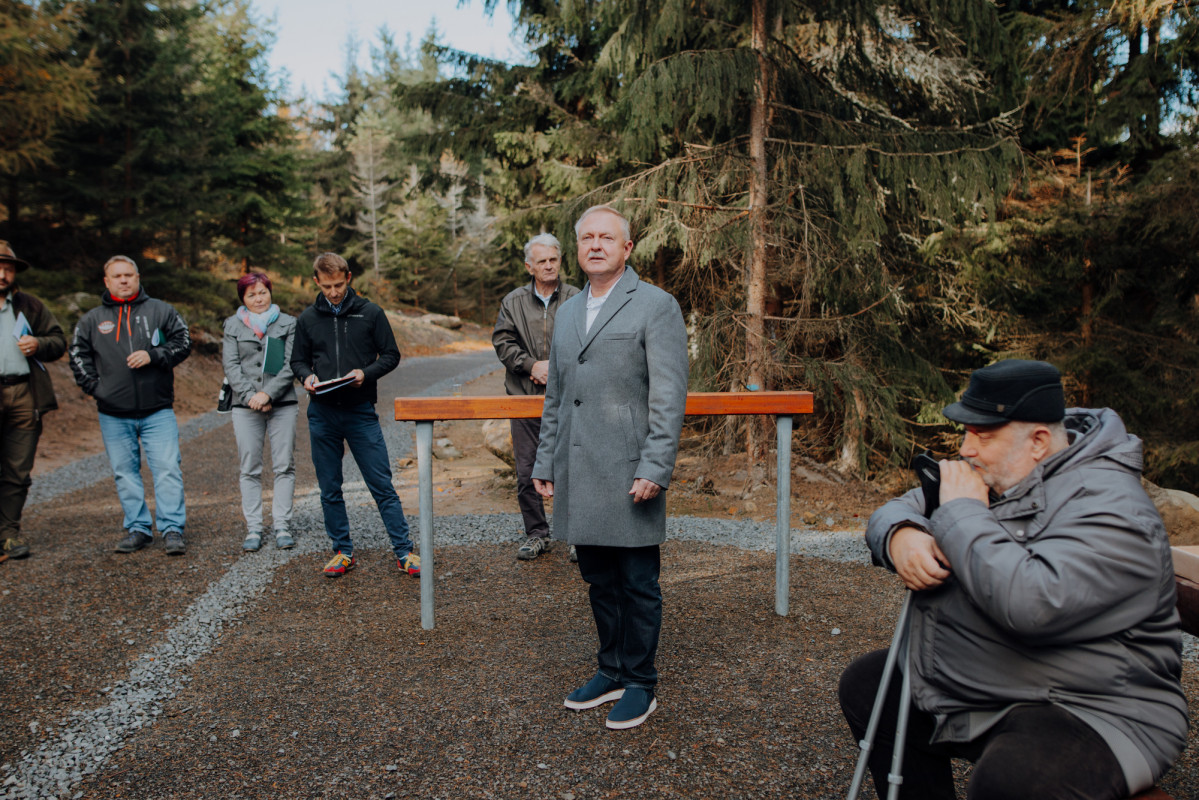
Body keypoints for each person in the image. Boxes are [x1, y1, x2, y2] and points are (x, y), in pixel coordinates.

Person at [839, 359, 1186, 800]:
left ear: (1038, 441)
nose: (965, 449)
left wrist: (962, 514)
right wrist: (901, 537)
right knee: (870, 688)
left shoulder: (1114, 509)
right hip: (998, 681)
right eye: (966, 432)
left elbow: (1033, 604)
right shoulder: (1008, 472)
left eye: (982, 435)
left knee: (1013, 779)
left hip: (1096, 706)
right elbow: (899, 507)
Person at [532, 205, 689, 730]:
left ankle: (642, 682)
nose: (595, 245)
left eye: (607, 238)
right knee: (598, 579)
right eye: (587, 238)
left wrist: (656, 466)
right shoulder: (570, 311)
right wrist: (545, 459)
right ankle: (611, 669)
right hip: (579, 470)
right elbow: (556, 396)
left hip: (630, 471)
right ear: (577, 249)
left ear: (627, 247)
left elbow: (669, 396)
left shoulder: (656, 305)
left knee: (638, 581)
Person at [290, 252, 419, 579]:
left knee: (381, 483)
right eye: (327, 285)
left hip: (360, 411)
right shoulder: (307, 319)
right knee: (330, 487)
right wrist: (306, 377)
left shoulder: (371, 313)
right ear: (316, 281)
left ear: (349, 278)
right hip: (322, 413)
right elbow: (298, 361)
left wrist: (366, 373)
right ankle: (342, 551)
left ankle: (404, 551)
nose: (334, 292)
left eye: (339, 284)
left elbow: (391, 355)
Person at [70, 255, 192, 555]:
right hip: (113, 413)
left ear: (138, 278)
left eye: (129, 275)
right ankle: (138, 528)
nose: (124, 280)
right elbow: (77, 356)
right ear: (107, 281)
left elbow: (183, 342)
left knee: (167, 468)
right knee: (125, 471)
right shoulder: (92, 320)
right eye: (117, 276)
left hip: (157, 409)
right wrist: (98, 389)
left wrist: (155, 355)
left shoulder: (161, 310)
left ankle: (172, 528)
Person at [493, 232, 580, 561]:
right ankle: (537, 534)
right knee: (527, 469)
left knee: (571, 467)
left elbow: (587, 341)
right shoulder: (512, 301)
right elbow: (503, 342)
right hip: (523, 398)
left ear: (560, 261)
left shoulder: (576, 297)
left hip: (569, 398)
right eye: (541, 261)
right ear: (529, 266)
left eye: (553, 259)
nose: (548, 266)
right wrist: (531, 366)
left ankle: (575, 535)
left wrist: (554, 369)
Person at [222, 272, 299, 552]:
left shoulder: (288, 323)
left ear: (270, 292)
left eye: (262, 292)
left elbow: (293, 363)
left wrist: (269, 393)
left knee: (284, 465)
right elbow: (231, 366)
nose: (258, 298)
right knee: (250, 468)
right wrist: (251, 396)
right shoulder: (232, 326)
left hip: (283, 404)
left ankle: (282, 525)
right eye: (251, 294)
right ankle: (254, 528)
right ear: (243, 298)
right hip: (245, 406)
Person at [0, 242, 67, 561]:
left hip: (24, 393)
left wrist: (38, 343)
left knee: (17, 468)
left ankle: (8, 534)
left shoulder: (31, 305)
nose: (2, 274)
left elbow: (58, 342)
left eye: (8, 268)